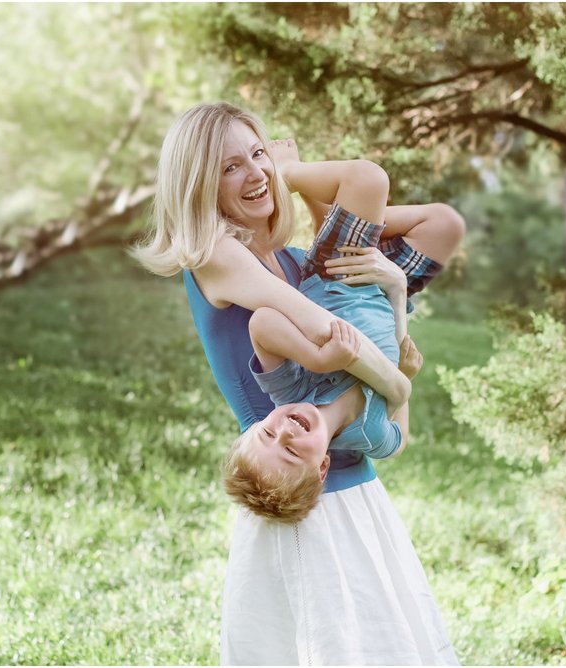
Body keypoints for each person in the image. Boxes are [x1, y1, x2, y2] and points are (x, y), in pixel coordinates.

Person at [133, 102, 464, 665]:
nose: (255, 173)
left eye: (259, 155)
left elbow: (433, 227)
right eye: (229, 166)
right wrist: (398, 375)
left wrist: (383, 278)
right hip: (296, 495)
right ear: (196, 184)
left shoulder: (292, 259)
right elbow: (328, 331)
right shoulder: (213, 256)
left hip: (355, 488)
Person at [224, 154, 450, 523]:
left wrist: (320, 359)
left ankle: (286, 173)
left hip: (336, 276)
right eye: (292, 453)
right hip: (384, 293)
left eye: (267, 433)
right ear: (323, 467)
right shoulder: (370, 436)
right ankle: (324, 211)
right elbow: (400, 437)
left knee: (369, 181)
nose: (285, 432)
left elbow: (262, 324)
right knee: (446, 225)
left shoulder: (290, 392)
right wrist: (396, 292)